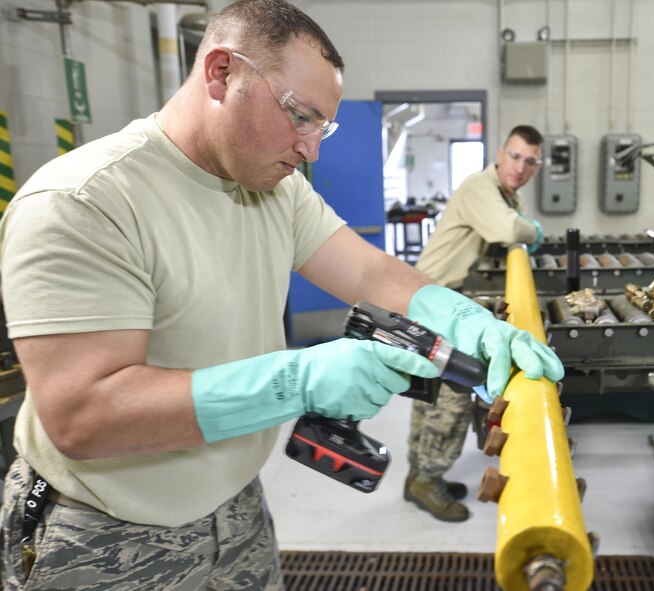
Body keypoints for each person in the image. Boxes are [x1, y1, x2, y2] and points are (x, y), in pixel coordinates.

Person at [0, 1, 563, 588]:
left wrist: (464, 319)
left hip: (234, 504)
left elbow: (371, 274)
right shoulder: (83, 202)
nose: (311, 148)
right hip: (98, 531)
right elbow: (83, 417)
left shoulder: (274, 189)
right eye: (300, 116)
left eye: (324, 126)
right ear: (221, 73)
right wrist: (297, 380)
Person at [405, 125, 547, 522]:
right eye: (515, 156)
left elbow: (508, 222)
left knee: (427, 393)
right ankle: (426, 479)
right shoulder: (480, 187)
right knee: (450, 397)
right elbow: (508, 229)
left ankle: (419, 475)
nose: (520, 167)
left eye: (529, 161)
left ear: (537, 167)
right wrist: (533, 230)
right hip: (436, 302)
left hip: (437, 299)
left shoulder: (505, 193)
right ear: (501, 153)